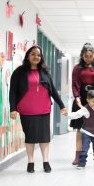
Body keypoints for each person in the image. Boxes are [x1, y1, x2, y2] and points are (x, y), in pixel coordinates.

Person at [9, 45, 67, 173]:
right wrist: (12, 108)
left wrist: (62, 105)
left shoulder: (45, 72)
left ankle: (46, 161)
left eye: (39, 55)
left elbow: (53, 91)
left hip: (43, 110)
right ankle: (30, 162)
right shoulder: (19, 72)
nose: (36, 57)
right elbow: (12, 91)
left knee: (44, 137)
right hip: (26, 110)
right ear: (28, 56)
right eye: (33, 54)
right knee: (30, 137)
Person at [70, 42, 94, 165]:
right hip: (81, 99)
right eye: (86, 56)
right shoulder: (77, 68)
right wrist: (77, 98)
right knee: (80, 129)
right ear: (82, 55)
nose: (88, 58)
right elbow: (74, 84)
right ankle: (78, 155)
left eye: (91, 56)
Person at [67, 90, 94, 169]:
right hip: (86, 133)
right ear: (88, 100)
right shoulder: (85, 109)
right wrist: (67, 114)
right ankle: (81, 163)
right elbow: (75, 115)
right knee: (84, 149)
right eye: (93, 101)